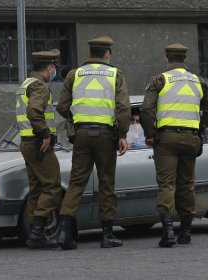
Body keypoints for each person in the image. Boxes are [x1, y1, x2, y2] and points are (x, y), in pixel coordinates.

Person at [56, 35, 131, 250]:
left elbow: (62, 106)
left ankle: (64, 234)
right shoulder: (115, 74)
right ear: (108, 54)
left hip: (81, 134)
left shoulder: (74, 74)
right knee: (107, 183)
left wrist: (77, 118)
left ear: (89, 54)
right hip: (106, 137)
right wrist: (123, 134)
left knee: (76, 182)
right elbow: (124, 109)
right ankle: (107, 235)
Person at [140, 43, 208, 247]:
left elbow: (147, 109)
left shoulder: (160, 79)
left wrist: (150, 134)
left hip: (166, 139)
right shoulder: (198, 81)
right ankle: (186, 232)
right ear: (185, 60)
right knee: (187, 184)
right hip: (191, 139)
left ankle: (168, 232)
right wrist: (199, 128)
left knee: (167, 184)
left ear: (166, 60)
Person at [15, 49, 63, 249]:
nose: (54, 71)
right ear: (50, 68)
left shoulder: (24, 84)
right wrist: (45, 134)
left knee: (35, 189)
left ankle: (35, 232)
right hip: (39, 143)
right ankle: (38, 231)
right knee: (52, 185)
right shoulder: (40, 87)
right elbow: (34, 111)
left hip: (27, 142)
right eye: (54, 67)